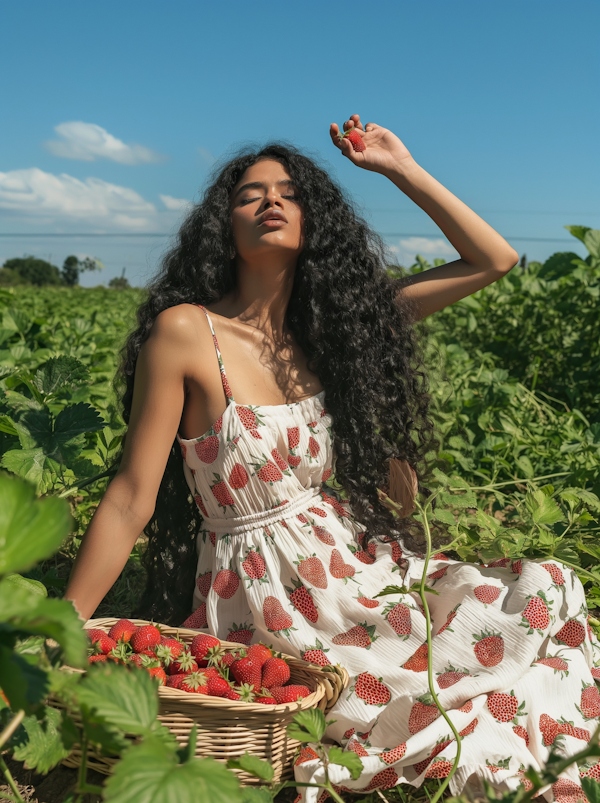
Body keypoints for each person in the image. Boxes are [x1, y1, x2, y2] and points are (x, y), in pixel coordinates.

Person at [65, 115, 600, 800]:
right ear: (221, 225)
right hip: (264, 594)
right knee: (415, 695)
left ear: (316, 223)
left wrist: (400, 166)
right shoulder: (186, 332)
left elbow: (491, 260)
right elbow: (130, 496)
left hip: (355, 567)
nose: (270, 201)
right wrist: (62, 625)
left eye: (290, 192)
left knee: (550, 585)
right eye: (249, 193)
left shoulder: (331, 333)